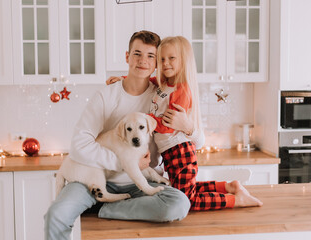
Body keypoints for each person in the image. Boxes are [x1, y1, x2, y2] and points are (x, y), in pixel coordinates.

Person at [44, 31, 203, 240]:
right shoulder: (106, 94)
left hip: (139, 183)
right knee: (56, 215)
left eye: (150, 56)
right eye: (137, 54)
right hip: (93, 176)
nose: (142, 61)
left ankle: (104, 208)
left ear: (157, 63)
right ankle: (102, 198)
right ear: (127, 57)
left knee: (179, 204)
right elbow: (79, 145)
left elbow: (199, 142)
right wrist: (127, 163)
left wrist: (189, 127)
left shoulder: (163, 94)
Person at [107, 36, 263, 211]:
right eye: (162, 59)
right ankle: (228, 187)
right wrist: (122, 79)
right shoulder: (163, 84)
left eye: (172, 58)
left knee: (188, 200)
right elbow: (144, 79)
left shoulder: (182, 90)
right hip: (169, 151)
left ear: (183, 60)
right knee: (182, 190)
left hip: (179, 150)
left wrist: (144, 121)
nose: (166, 63)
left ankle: (237, 200)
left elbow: (168, 124)